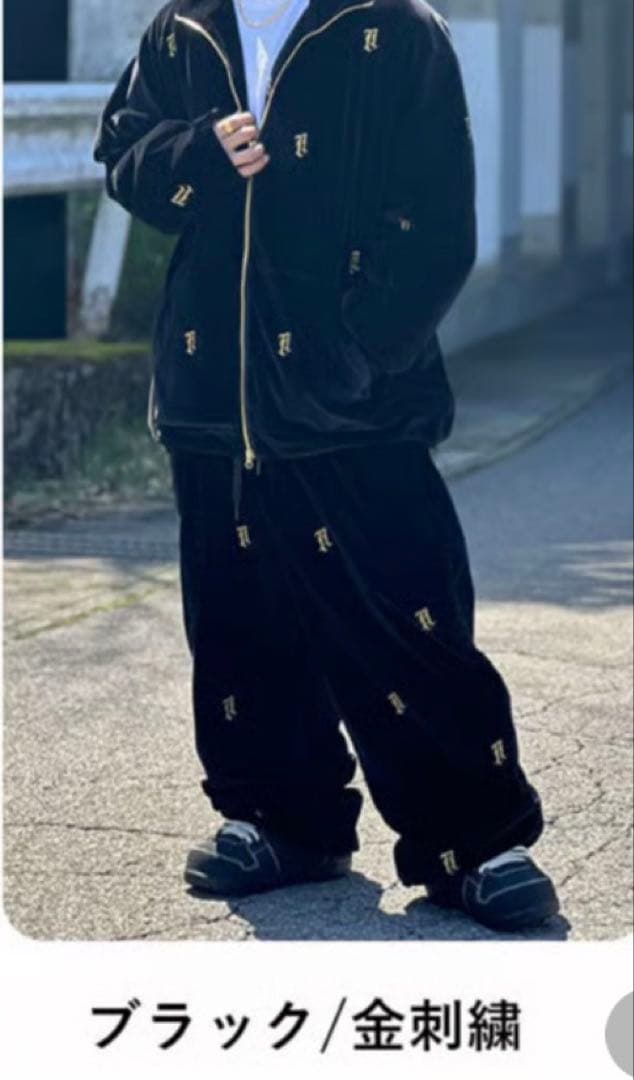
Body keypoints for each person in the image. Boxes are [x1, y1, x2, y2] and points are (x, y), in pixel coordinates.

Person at [93, 0, 560, 932]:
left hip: (357, 407)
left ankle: (474, 841)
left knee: (405, 616)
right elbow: (123, 158)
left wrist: (356, 354)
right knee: (238, 624)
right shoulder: (183, 27)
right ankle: (282, 821)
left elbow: (437, 216)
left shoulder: (395, 28)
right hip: (213, 395)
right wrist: (197, 153)